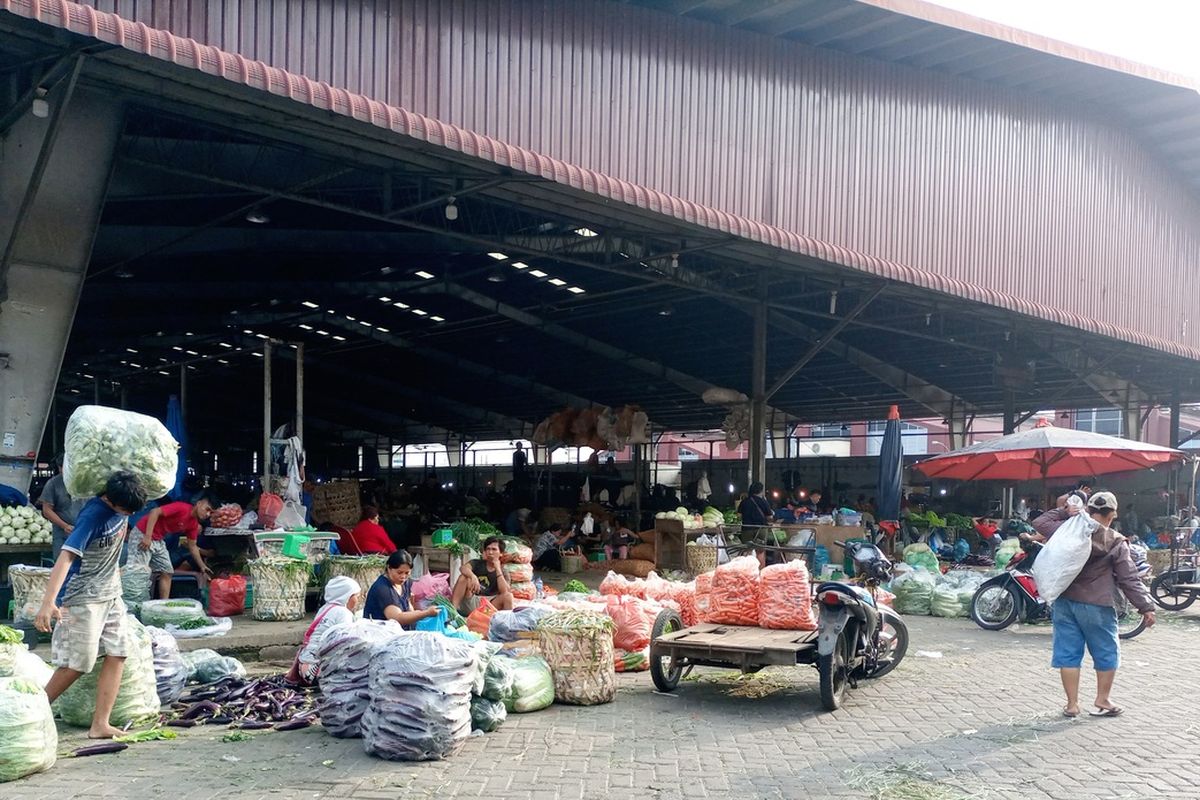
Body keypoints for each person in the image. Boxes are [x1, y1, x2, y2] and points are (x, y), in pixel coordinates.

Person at [35, 471, 147, 739]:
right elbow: (66, 557)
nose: (129, 515)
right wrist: (48, 602)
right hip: (83, 598)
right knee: (77, 664)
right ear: (110, 500)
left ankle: (100, 724)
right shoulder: (93, 516)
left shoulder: (124, 497)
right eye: (126, 510)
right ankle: (33, 712)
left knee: (119, 653)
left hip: (111, 594)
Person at [1048, 492, 1155, 718]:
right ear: (1113, 515)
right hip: (1097, 604)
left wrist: (1063, 512)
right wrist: (1145, 606)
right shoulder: (1115, 540)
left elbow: (1040, 523)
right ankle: (1102, 699)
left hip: (1065, 601)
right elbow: (1128, 578)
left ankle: (1072, 705)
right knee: (1106, 651)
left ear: (1088, 510)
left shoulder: (1069, 531)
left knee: (1068, 653)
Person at [129, 495, 215, 599]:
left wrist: (202, 566)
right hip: (142, 533)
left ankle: (164, 603)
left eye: (211, 513)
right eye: (207, 509)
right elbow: (154, 512)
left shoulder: (193, 524)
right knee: (138, 571)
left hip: (158, 540)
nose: (207, 514)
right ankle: (133, 603)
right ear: (199, 503)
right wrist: (147, 536)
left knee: (167, 571)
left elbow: (192, 546)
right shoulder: (182, 508)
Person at [288, 576, 360, 685]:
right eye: (356, 596)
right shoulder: (343, 613)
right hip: (316, 670)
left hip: (304, 665)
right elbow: (346, 641)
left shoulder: (325, 608)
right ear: (346, 596)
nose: (358, 600)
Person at [39, 454, 86, 559]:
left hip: (85, 533)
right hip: (62, 536)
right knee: (63, 564)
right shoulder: (53, 484)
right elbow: (47, 510)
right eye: (61, 468)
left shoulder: (86, 483)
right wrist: (65, 526)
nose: (63, 471)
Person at [451, 536, 515, 614]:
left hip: (490, 605)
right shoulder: (477, 563)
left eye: (494, 549)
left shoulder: (504, 572)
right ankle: (452, 611)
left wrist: (498, 568)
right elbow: (463, 568)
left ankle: (507, 620)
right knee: (464, 577)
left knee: (508, 596)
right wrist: (473, 576)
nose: (490, 552)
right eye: (488, 549)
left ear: (501, 553)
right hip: (472, 601)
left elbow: (505, 591)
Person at [739, 482, 774, 566]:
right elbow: (770, 517)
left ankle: (747, 571)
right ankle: (761, 570)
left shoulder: (744, 501)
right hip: (761, 529)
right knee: (760, 551)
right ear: (761, 491)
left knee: (747, 551)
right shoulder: (763, 501)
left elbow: (739, 515)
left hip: (747, 529)